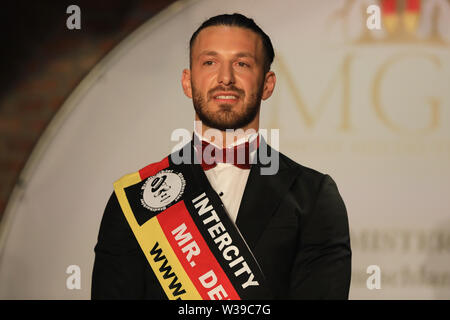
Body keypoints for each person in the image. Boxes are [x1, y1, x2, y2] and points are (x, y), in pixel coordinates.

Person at [91, 13, 351, 300]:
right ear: (188, 82)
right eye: (210, 62)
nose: (225, 78)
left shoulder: (313, 197)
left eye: (242, 64)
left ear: (267, 84)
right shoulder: (136, 199)